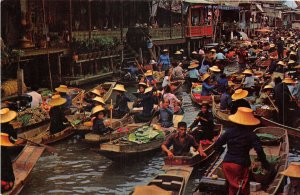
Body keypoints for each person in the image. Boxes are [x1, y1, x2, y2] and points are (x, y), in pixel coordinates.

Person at [214, 107, 270, 195]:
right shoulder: (251, 135)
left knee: (232, 187)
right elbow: (259, 150)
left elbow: (216, 145)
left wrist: (221, 150)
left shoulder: (229, 132)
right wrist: (265, 163)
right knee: (243, 189)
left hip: (226, 164)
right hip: (240, 166)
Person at [1, 108, 19, 193]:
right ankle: (8, 183)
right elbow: (13, 140)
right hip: (3, 148)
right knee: (6, 163)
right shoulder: (9, 127)